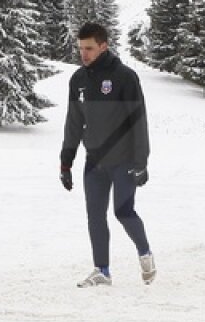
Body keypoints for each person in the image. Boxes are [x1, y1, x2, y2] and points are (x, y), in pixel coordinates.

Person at [60, 22, 155, 286]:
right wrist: (66, 162)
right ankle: (102, 270)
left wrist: (141, 162)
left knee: (123, 212)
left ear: (104, 46)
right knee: (95, 216)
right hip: (94, 162)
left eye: (89, 48)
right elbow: (74, 123)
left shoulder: (125, 77)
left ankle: (145, 252)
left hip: (124, 160)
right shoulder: (78, 80)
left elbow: (139, 121)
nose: (84, 54)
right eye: (81, 48)